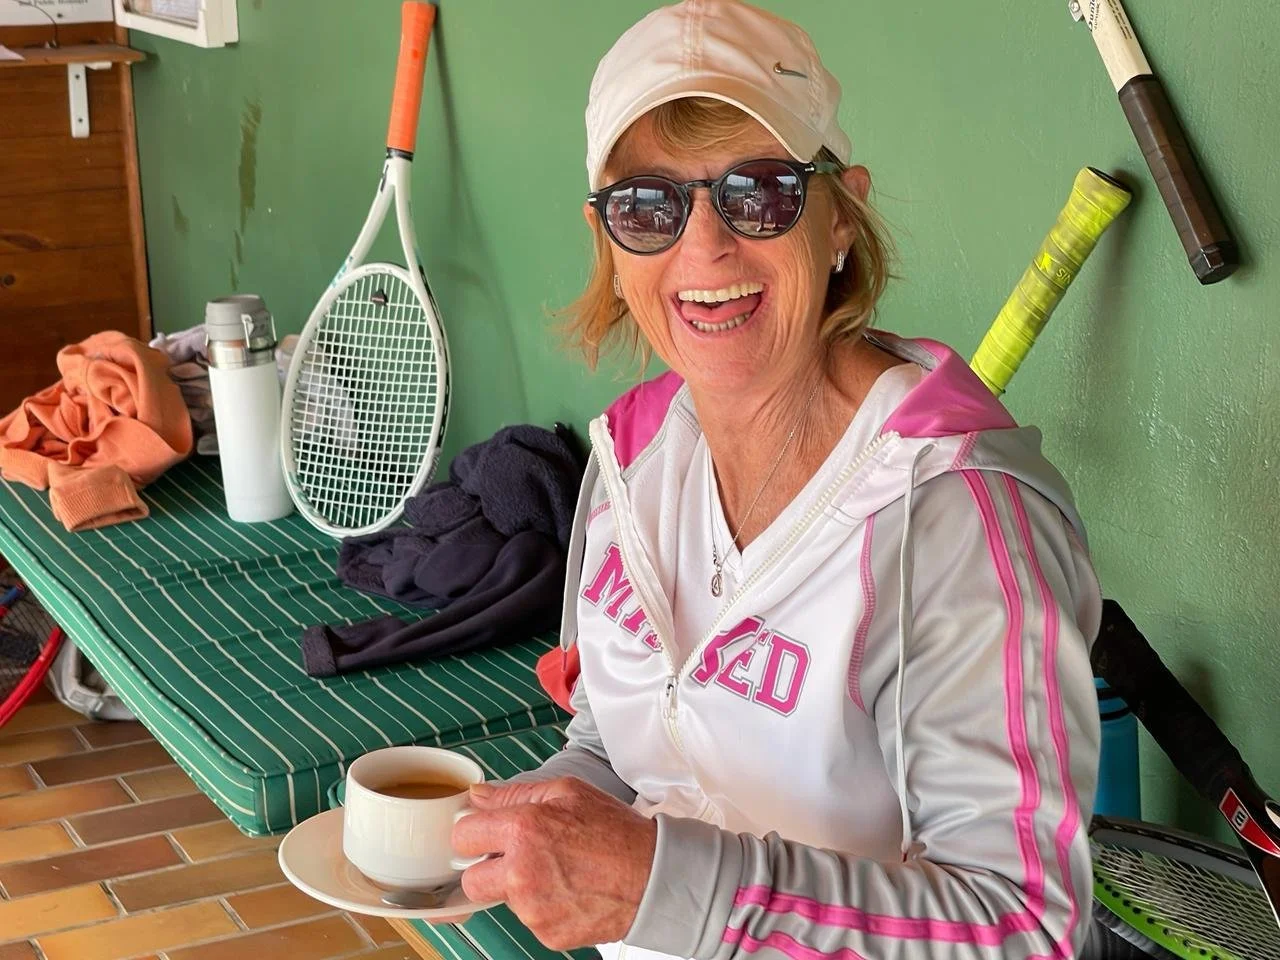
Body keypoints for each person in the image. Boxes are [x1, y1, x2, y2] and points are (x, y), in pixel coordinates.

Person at [450, 2, 1103, 958]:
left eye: (761, 192)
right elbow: (614, 747)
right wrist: (514, 838)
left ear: (841, 215)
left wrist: (655, 885)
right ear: (611, 245)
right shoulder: (631, 461)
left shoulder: (953, 516)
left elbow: (1021, 927)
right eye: (648, 206)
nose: (705, 247)